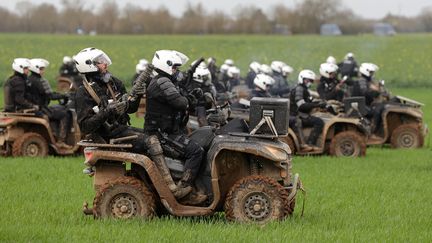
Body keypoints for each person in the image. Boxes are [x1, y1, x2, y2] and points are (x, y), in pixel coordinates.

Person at [73, 47, 154, 177]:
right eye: (100, 61)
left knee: (155, 136)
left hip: (121, 130)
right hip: (106, 136)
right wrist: (107, 112)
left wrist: (137, 96)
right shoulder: (83, 93)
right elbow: (85, 126)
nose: (105, 63)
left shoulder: (114, 83)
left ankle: (145, 180)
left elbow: (130, 108)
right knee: (151, 143)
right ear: (88, 66)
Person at [145, 50, 207, 205]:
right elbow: (180, 102)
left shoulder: (166, 81)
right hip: (162, 134)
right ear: (165, 65)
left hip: (171, 131)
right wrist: (192, 99)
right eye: (175, 67)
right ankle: (184, 190)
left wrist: (194, 96)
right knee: (196, 151)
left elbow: (182, 98)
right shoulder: (162, 82)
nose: (177, 71)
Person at [27, 58, 72, 149]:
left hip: (34, 107)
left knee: (56, 109)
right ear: (36, 68)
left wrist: (60, 95)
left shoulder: (28, 80)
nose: (43, 71)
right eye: (42, 69)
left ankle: (54, 133)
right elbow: (50, 96)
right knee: (65, 114)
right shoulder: (41, 81)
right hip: (41, 108)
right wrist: (64, 96)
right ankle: (61, 141)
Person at [289, 70, 325, 149]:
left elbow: (308, 101)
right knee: (319, 122)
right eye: (307, 80)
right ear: (302, 78)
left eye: (311, 81)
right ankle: (309, 143)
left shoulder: (303, 89)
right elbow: (301, 106)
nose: (309, 82)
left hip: (300, 113)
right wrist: (317, 105)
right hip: (298, 115)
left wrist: (319, 103)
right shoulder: (299, 89)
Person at [352, 62, 384, 135]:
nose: (372, 74)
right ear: (366, 71)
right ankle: (373, 130)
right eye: (371, 72)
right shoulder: (362, 81)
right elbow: (366, 93)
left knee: (380, 106)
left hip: (362, 103)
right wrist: (376, 92)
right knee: (377, 111)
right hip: (359, 105)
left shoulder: (365, 80)